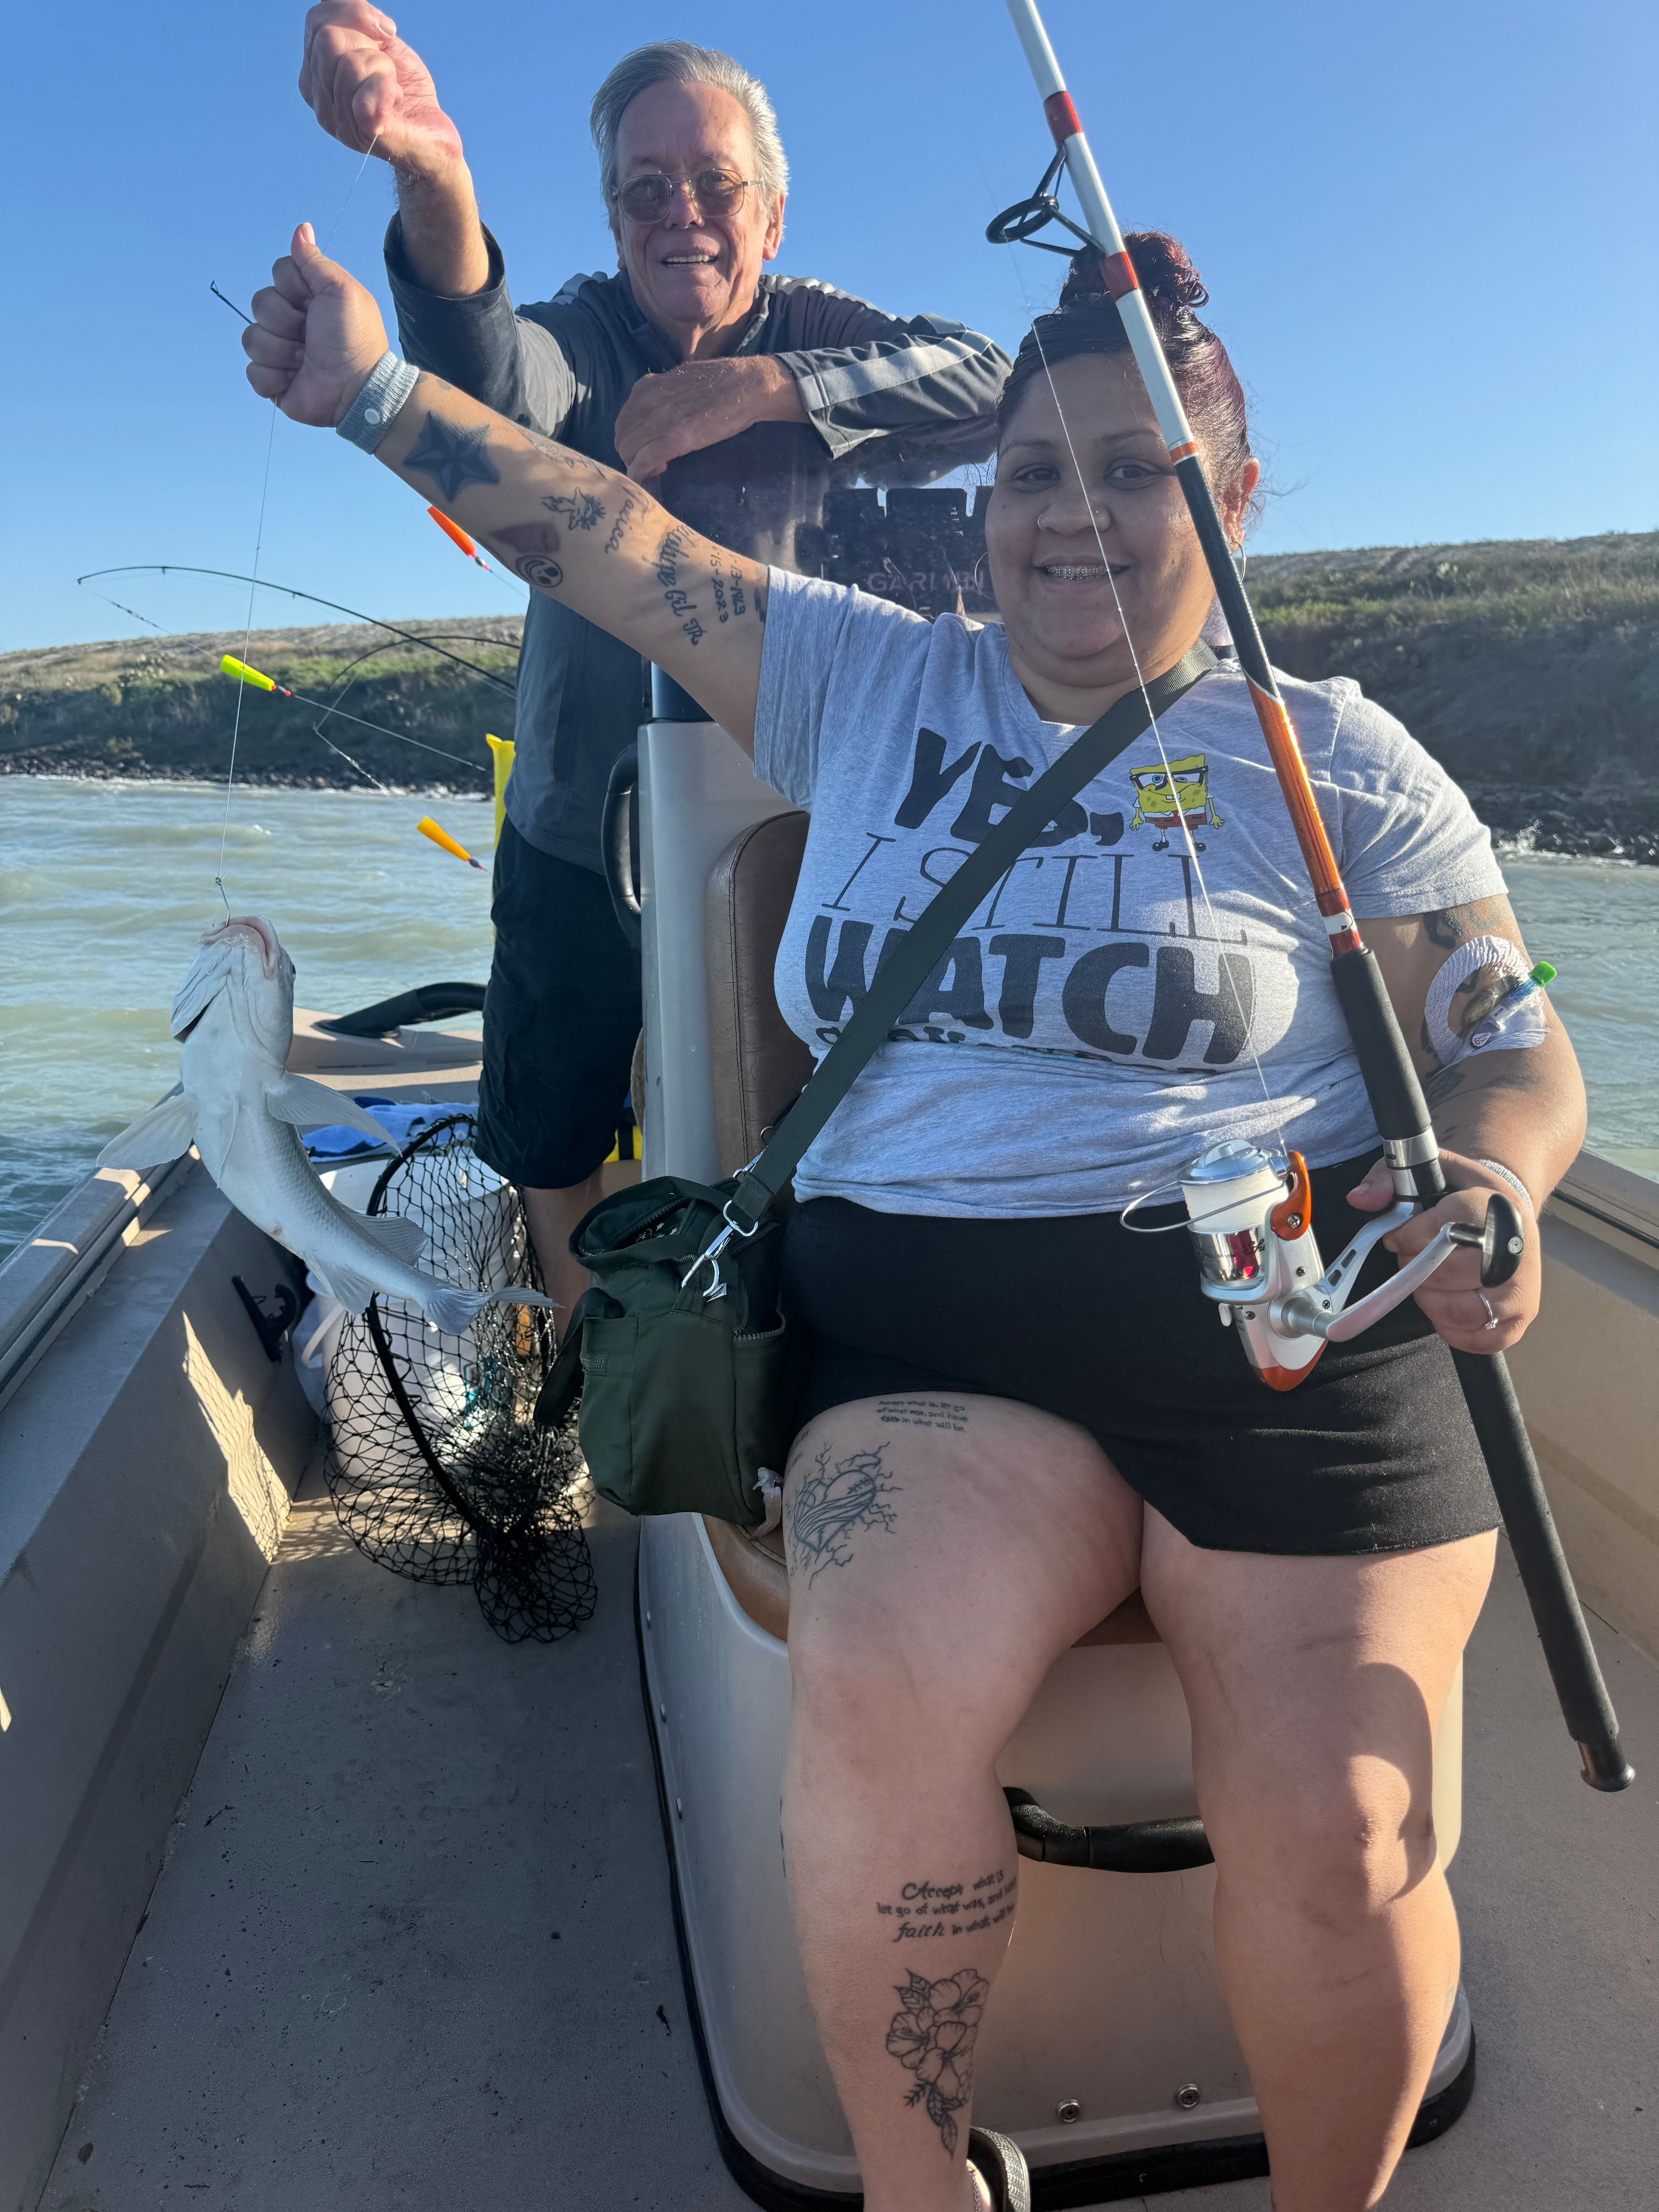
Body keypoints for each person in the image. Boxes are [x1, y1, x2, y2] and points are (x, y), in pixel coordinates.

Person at [244, 218, 1588, 2212]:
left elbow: (1511, 1045)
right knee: (880, 1684)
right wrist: (374, 394)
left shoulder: (1342, 762)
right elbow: (604, 538)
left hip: (1297, 1326)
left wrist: (1495, 1179)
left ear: (1226, 505)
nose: (1074, 513)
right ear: (985, 502)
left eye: (1139, 472)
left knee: (1351, 1821)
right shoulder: (858, 679)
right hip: (938, 1335)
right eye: (1035, 470)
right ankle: (909, 2186)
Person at [298, 6, 1011, 1316]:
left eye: (713, 184)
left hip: (790, 825)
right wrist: (431, 176)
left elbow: (988, 378)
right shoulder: (583, 339)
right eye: (643, 191)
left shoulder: (822, 324)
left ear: (771, 214)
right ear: (614, 220)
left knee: (784, 1115)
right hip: (582, 825)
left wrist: (762, 389)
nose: (679, 212)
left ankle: (759, 1357)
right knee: (548, 1133)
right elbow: (485, 372)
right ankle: (599, 1398)